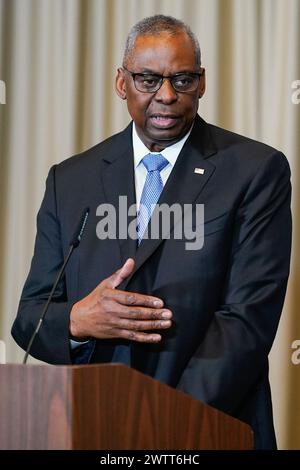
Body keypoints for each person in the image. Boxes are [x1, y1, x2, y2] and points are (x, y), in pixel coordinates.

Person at [12, 15, 292, 449]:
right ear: (121, 83)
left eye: (181, 80)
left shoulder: (255, 171)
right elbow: (30, 317)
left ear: (201, 83)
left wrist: (163, 420)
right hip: (93, 427)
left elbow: (246, 320)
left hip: (208, 428)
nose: (166, 96)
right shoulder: (70, 180)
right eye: (148, 79)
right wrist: (77, 321)